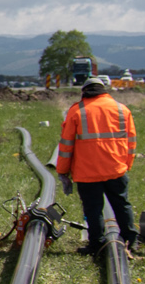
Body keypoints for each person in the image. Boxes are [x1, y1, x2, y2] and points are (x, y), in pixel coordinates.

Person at [55, 76, 137, 256]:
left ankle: (96, 245)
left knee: (93, 209)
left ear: (84, 92)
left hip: (87, 172)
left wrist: (62, 172)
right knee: (122, 204)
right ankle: (131, 241)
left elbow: (66, 146)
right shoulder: (122, 109)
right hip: (116, 169)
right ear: (104, 90)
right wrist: (126, 165)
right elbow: (131, 142)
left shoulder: (77, 111)